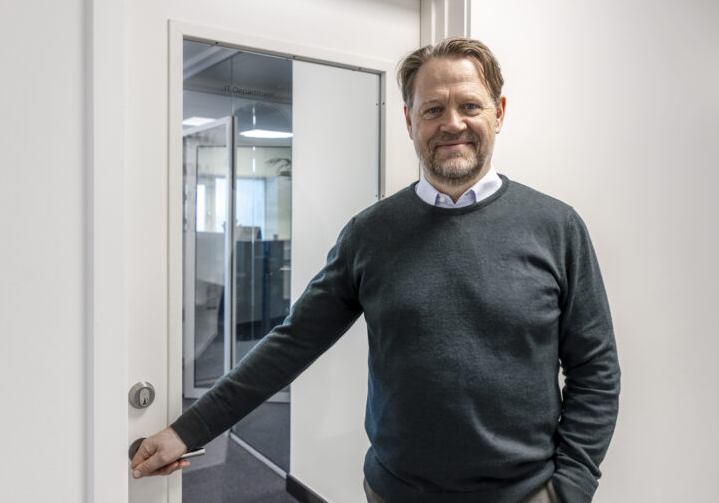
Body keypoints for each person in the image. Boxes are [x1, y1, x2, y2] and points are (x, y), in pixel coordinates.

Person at [131, 37, 621, 503]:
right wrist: (188, 431)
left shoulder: (556, 227)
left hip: (527, 493)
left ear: (499, 112)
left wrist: (571, 487)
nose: (452, 123)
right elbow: (291, 343)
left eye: (470, 105)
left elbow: (596, 370)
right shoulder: (370, 234)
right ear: (409, 120)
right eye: (433, 109)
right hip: (395, 492)